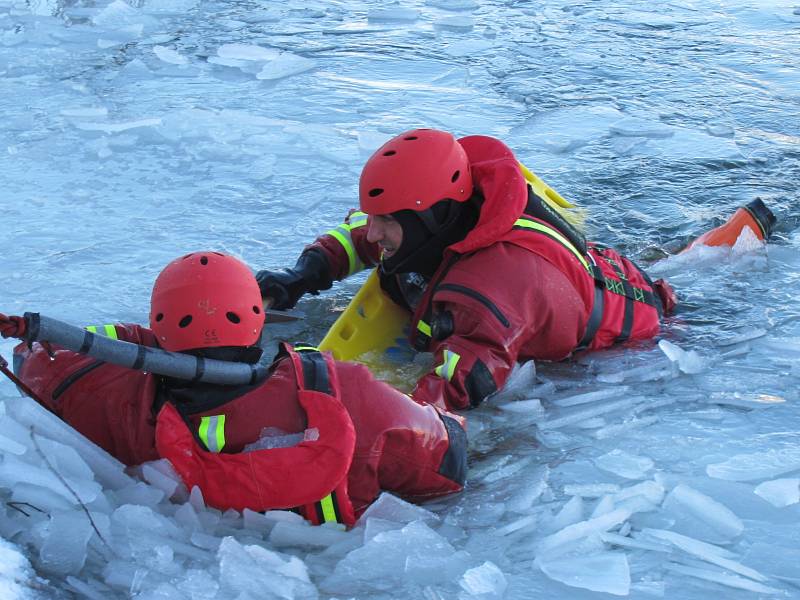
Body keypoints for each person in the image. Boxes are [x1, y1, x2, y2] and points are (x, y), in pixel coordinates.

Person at [255, 129, 776, 412]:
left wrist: (379, 414)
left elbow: (463, 384)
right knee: (663, 267)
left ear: (431, 219)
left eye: (387, 221)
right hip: (589, 275)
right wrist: (304, 274)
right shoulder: (450, 212)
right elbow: (369, 241)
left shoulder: (490, 291)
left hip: (637, 335)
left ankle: (735, 247)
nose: (372, 232)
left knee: (682, 281)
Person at [0, 251, 467, 526]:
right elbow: (448, 460)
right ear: (258, 318)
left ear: (158, 325)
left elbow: (41, 360)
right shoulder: (347, 395)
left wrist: (142, 340)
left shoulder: (103, 393)